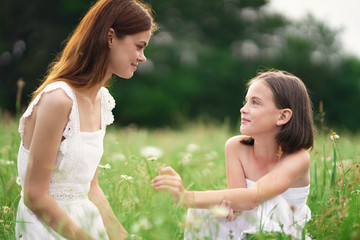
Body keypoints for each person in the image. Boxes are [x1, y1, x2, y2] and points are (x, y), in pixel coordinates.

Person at [15, 0, 157, 239]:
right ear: (110, 38)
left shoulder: (101, 100)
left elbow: (91, 189)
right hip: (47, 228)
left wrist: (124, 237)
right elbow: (34, 196)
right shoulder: (58, 99)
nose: (142, 57)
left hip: (85, 224)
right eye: (139, 46)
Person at [152, 70, 314, 239]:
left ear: (282, 116)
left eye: (255, 103)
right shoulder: (236, 147)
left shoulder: (298, 158)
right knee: (206, 212)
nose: (243, 109)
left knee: (270, 203)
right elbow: (237, 203)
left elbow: (251, 198)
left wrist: (186, 197)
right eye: (245, 102)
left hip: (282, 234)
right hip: (248, 224)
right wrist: (228, 209)